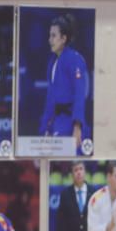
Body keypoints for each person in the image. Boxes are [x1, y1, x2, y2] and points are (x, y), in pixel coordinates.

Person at [38, 13, 89, 150]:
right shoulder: (52, 62)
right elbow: (50, 99)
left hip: (70, 123)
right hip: (56, 122)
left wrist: (77, 126)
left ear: (63, 38)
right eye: (50, 35)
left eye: (54, 36)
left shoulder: (74, 59)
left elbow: (79, 94)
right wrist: (44, 129)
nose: (50, 40)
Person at [55, 160, 91, 231]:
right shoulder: (65, 194)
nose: (79, 172)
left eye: (81, 169)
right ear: (72, 175)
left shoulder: (93, 192)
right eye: (75, 170)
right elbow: (61, 223)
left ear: (85, 172)